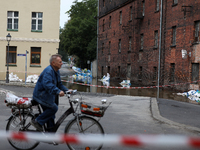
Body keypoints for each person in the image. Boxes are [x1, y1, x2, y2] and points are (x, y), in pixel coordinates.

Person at [31, 54, 69, 131]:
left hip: (48, 96)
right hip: (41, 96)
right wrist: (58, 91)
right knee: (53, 108)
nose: (61, 63)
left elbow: (59, 84)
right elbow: (48, 85)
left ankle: (50, 136)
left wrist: (67, 91)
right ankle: (37, 121)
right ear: (53, 63)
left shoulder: (56, 71)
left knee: (51, 115)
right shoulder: (48, 71)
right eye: (60, 62)